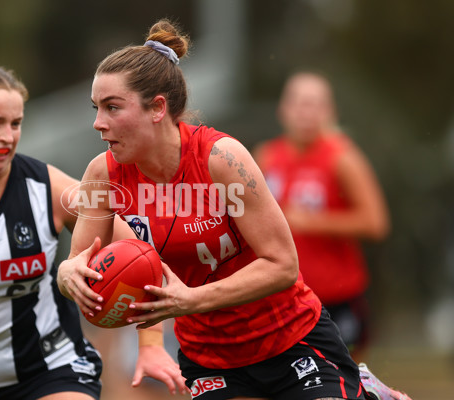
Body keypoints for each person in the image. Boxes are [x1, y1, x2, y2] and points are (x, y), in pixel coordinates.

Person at [55, 18, 412, 400]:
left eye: (112, 108)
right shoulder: (101, 174)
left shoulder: (221, 159)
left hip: (289, 339)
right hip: (208, 358)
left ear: (157, 108)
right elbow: (77, 262)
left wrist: (190, 300)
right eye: (96, 108)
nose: (97, 123)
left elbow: (282, 265)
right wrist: (69, 274)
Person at [0, 64, 184, 400]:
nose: (7, 136)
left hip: (51, 368)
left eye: (15, 124)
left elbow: (139, 253)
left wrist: (150, 344)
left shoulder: (48, 187)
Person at [252, 72, 391, 362]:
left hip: (337, 299)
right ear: (283, 109)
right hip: (284, 298)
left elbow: (376, 223)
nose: (306, 113)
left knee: (344, 382)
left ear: (330, 112)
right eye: (299, 104)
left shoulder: (342, 158)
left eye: (315, 105)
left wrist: (313, 222)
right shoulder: (266, 157)